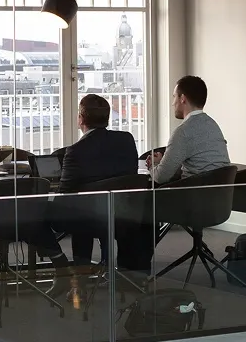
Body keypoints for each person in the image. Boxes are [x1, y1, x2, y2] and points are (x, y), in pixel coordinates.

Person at [53, 94, 139, 268]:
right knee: (84, 209)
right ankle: (122, 274)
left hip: (89, 220)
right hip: (124, 214)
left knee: (74, 212)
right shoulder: (126, 140)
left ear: (81, 119)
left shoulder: (76, 151)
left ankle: (74, 274)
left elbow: (64, 196)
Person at [147, 76, 230, 185]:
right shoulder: (213, 126)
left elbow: (160, 177)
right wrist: (164, 162)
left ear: (182, 98)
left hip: (192, 198)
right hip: (221, 198)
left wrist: (153, 165)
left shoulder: (183, 132)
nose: (173, 103)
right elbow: (201, 164)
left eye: (174, 97)